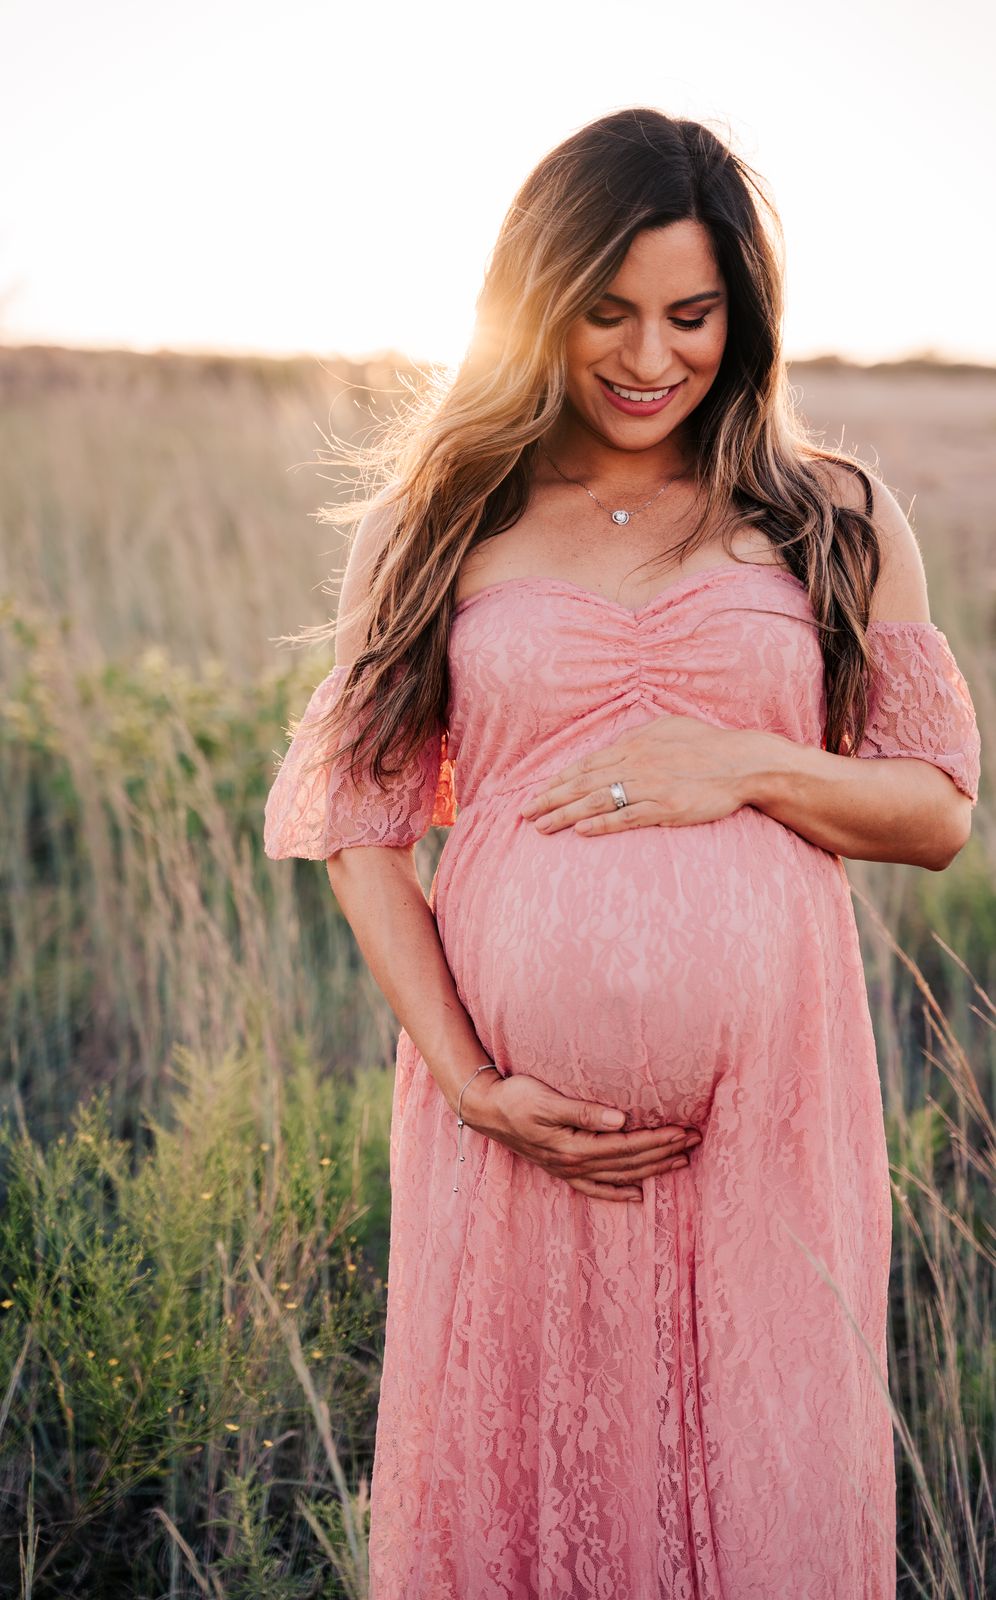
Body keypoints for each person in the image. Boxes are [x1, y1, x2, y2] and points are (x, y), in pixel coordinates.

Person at [262, 108, 981, 1599]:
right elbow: (360, 827)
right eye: (607, 310)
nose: (651, 355)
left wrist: (746, 762)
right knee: (523, 1499)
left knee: (758, 1498)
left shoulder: (830, 516)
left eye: (692, 314)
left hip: (768, 1125)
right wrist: (475, 1087)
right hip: (513, 1131)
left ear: (745, 316)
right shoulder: (439, 518)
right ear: (538, 300)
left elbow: (934, 810)